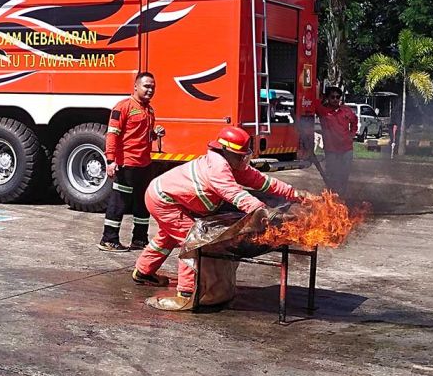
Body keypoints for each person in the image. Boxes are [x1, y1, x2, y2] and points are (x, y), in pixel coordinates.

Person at [132, 126, 312, 310]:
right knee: (193, 242)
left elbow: (263, 182)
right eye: (240, 156)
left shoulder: (233, 163)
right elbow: (236, 195)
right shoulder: (218, 168)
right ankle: (186, 293)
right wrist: (265, 214)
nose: (244, 160)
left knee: (167, 237)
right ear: (225, 151)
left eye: (245, 155)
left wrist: (295, 193)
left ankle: (143, 272)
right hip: (163, 201)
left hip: (167, 196)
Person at [98, 72, 164, 253]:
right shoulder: (123, 107)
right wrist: (111, 161)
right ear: (135, 86)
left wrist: (155, 135)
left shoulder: (149, 110)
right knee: (119, 202)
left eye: (153, 87)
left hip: (144, 165)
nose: (150, 90)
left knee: (142, 203)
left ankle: (140, 239)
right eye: (146, 86)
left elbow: (142, 136)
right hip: (127, 164)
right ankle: (109, 240)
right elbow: (112, 135)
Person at [315, 87, 357, 199]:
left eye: (337, 97)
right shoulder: (323, 111)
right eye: (332, 97)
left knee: (344, 174)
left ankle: (341, 197)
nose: (335, 99)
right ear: (328, 98)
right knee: (332, 174)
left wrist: (352, 134)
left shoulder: (346, 110)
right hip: (331, 150)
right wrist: (322, 97)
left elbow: (355, 121)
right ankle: (331, 197)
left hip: (346, 149)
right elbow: (314, 103)